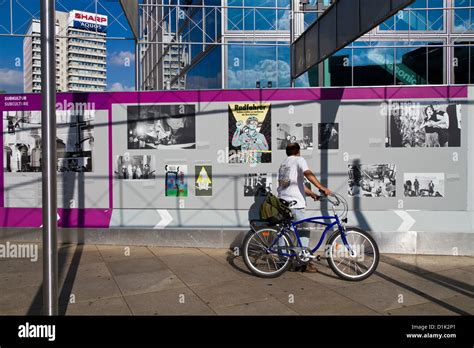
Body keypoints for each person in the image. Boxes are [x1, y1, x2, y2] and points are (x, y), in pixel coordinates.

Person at [277, 143, 332, 273]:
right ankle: (304, 262)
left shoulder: (284, 164)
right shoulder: (299, 160)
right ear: (298, 151)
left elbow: (295, 184)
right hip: (295, 204)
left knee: (284, 232)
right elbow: (307, 173)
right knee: (303, 231)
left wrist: (311, 193)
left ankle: (282, 262)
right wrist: (321, 187)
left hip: (283, 202)